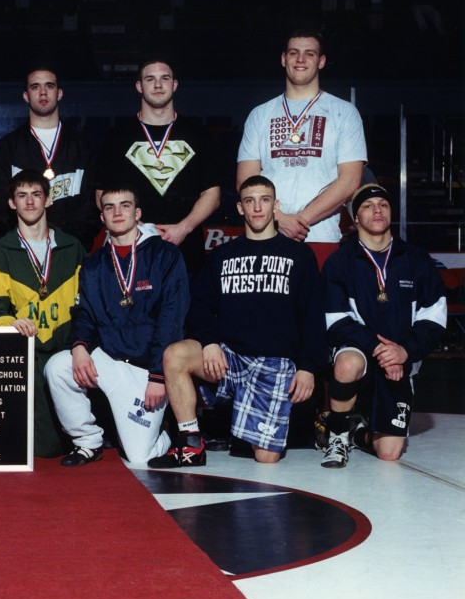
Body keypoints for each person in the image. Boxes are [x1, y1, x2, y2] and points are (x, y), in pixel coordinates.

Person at [151, 175, 327, 466]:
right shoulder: (222, 255)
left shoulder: (298, 255)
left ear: (275, 206)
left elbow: (312, 316)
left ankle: (244, 427)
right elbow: (201, 306)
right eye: (250, 201)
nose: (257, 207)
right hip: (229, 360)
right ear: (240, 208)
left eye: (264, 200)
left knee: (267, 458)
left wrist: (308, 367)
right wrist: (209, 343)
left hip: (274, 363)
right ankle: (191, 444)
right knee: (176, 355)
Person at [45, 185, 188, 466]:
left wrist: (159, 376)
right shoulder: (94, 263)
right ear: (102, 218)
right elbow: (85, 314)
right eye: (109, 207)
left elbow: (172, 320)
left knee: (139, 458)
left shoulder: (165, 255)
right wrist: (79, 347)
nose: (117, 212)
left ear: (138, 213)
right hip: (109, 362)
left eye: (124, 205)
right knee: (58, 367)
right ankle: (87, 441)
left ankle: (169, 432)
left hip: (147, 370)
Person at [319, 184, 447, 468]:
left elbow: (434, 316)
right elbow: (335, 321)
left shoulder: (416, 260)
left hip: (399, 360)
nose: (377, 210)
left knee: (389, 452)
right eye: (367, 205)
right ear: (355, 218)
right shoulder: (340, 262)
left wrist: (404, 351)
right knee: (348, 363)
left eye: (383, 204)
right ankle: (337, 434)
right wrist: (378, 348)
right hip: (361, 352)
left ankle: (356, 432)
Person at [0, 170, 85, 457]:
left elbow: (88, 305)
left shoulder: (73, 247)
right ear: (12, 203)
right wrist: (11, 324)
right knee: (43, 449)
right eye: (21, 196)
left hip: (66, 348)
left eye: (36, 194)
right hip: (26, 352)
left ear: (48, 200)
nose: (29, 202)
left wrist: (80, 343)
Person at [236, 30, 366, 249]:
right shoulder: (260, 114)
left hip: (321, 237)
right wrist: (279, 219)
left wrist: (300, 221)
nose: (300, 60)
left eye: (310, 54)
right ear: (283, 59)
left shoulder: (344, 112)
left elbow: (350, 181)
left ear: (322, 61)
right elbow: (246, 181)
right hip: (267, 235)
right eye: (294, 53)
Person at [94, 59, 221, 272]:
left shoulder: (199, 134)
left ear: (175, 85)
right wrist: (137, 228)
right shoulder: (117, 137)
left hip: (186, 246)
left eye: (165, 78)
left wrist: (184, 228)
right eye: (150, 79)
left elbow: (212, 194)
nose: (158, 85)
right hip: (133, 243)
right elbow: (101, 194)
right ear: (139, 86)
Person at [0, 67, 101, 251]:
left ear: (59, 93)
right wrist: (31, 242)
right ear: (26, 95)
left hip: (72, 251)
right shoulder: (7, 147)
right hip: (22, 252)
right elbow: (2, 207)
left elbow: (92, 205)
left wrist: (64, 243)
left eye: (49, 86)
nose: (43, 92)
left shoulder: (84, 146)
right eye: (35, 87)